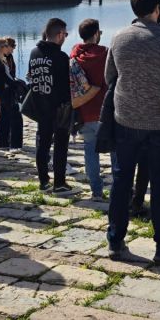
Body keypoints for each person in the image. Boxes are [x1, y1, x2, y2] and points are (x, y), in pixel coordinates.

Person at [104, 0, 160, 264]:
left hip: (125, 120)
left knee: (121, 180)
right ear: (156, 8)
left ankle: (115, 240)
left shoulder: (119, 37)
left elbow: (110, 77)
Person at [28, 18, 73, 194]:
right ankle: (59, 183)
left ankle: (43, 181)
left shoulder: (34, 53)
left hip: (40, 105)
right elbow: (65, 85)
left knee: (42, 143)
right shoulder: (61, 57)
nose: (65, 38)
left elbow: (32, 77)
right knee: (61, 146)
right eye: (65, 34)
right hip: (59, 107)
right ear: (59, 34)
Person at [71, 18, 108, 201]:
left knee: (90, 152)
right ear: (95, 34)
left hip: (84, 112)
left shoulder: (74, 55)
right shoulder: (106, 54)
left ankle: (96, 191)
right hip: (106, 112)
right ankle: (120, 189)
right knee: (116, 152)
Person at [0, 37, 23, 152]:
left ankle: (9, 144)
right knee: (9, 119)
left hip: (7, 94)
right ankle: (9, 144)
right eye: (5, 46)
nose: (8, 48)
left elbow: (8, 79)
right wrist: (17, 85)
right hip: (4, 95)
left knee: (9, 119)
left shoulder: (1, 61)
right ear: (0, 48)